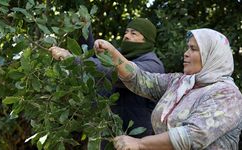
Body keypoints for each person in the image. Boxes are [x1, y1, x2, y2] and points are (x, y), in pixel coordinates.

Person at [94, 28, 242, 150]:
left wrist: (140, 144)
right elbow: (141, 80)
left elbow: (191, 136)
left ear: (212, 56)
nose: (186, 53)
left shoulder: (227, 94)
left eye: (193, 49)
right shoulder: (180, 82)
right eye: (187, 48)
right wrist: (113, 55)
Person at [48, 18, 165, 140]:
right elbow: (92, 60)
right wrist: (85, 27)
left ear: (146, 39)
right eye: (126, 32)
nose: (127, 36)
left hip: (136, 139)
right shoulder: (120, 55)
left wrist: (73, 59)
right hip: (108, 134)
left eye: (133, 33)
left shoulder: (153, 65)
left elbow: (113, 72)